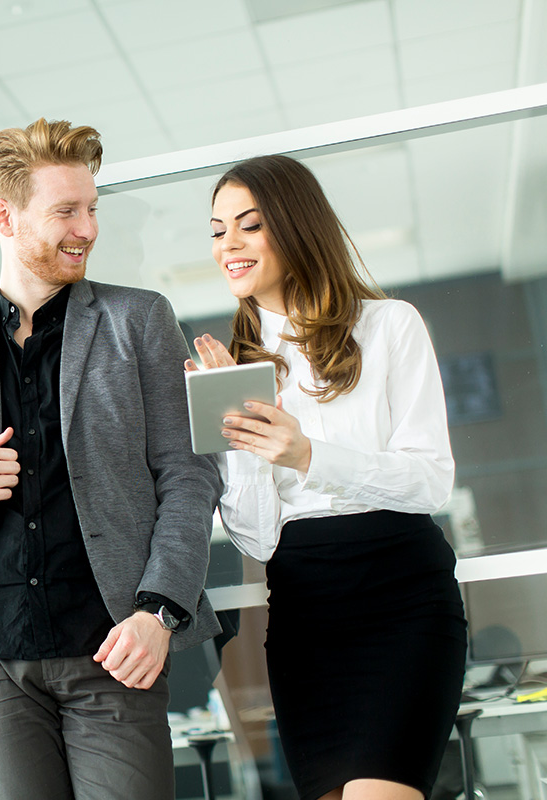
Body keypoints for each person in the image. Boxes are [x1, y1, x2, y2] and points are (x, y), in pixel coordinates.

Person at [0, 118, 222, 800]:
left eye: (91, 209)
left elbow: (189, 477)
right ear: (4, 216)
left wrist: (159, 614)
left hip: (114, 649)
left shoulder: (140, 320)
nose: (88, 228)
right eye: (66, 210)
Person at [188, 154, 467, 800]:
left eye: (248, 225)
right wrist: (240, 426)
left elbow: (431, 482)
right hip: (304, 614)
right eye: (217, 229)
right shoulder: (246, 366)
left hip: (402, 601)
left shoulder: (391, 326)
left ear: (295, 226)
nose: (227, 244)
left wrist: (308, 454)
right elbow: (257, 539)